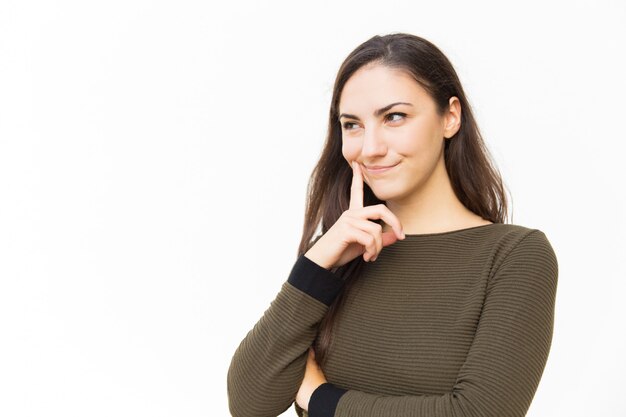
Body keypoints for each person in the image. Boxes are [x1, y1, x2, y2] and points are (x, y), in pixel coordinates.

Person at [226, 33, 558, 417]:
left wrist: (321, 399)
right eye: (352, 125)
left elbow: (479, 412)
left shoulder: (514, 256)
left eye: (394, 117)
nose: (370, 148)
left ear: (450, 116)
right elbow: (250, 405)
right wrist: (316, 264)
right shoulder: (339, 254)